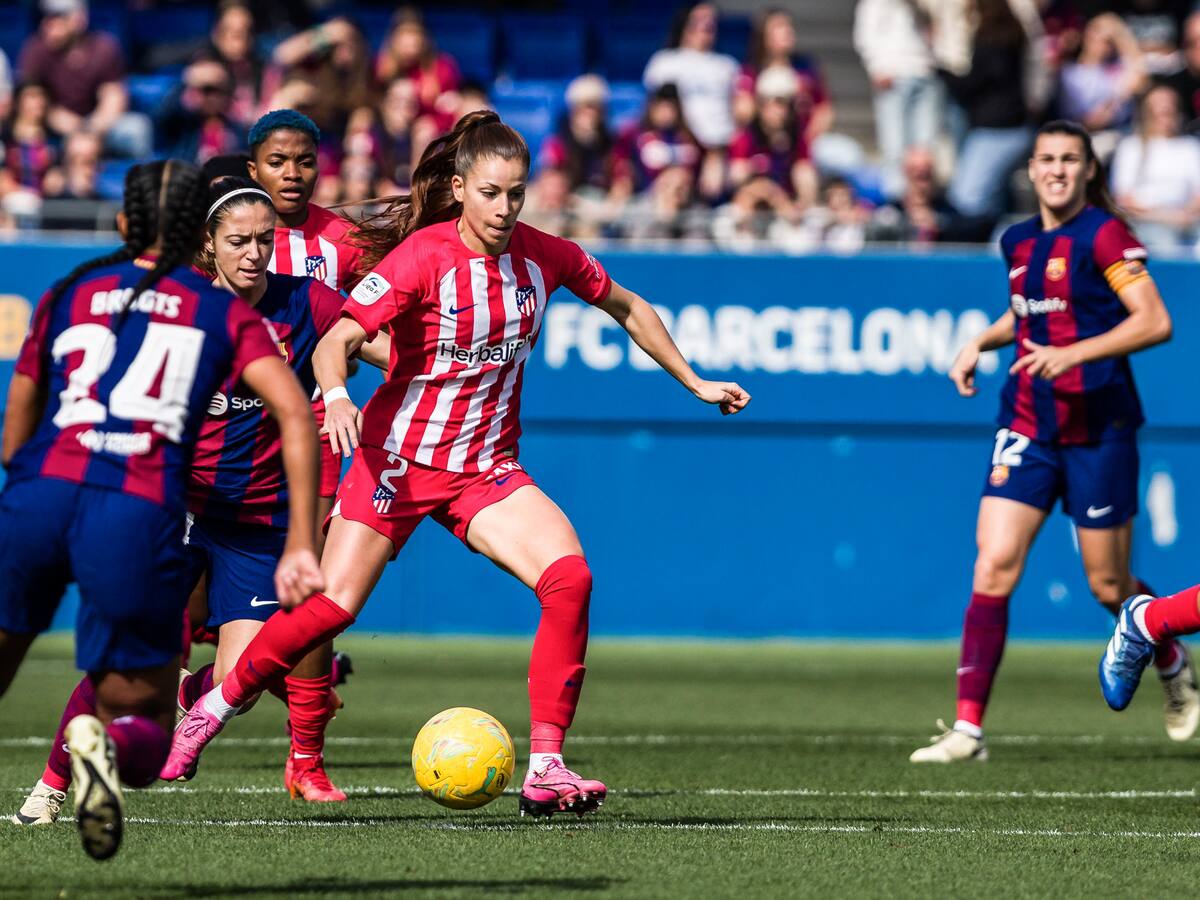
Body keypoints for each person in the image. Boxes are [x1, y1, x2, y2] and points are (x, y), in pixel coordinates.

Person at [160, 110, 751, 817]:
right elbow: (338, 334)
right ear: (462, 188)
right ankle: (211, 708)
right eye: (492, 193)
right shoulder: (423, 257)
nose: (505, 209)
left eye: (517, 193)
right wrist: (341, 395)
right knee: (332, 608)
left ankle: (548, 767)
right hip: (394, 464)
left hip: (483, 470)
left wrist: (694, 380)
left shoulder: (544, 255)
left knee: (570, 578)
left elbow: (627, 304)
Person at [10, 175, 375, 826]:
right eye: (239, 240)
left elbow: (375, 345)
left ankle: (151, 715)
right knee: (131, 664)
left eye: (266, 239)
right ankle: (50, 786)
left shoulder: (307, 301)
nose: (255, 252)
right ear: (207, 243)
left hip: (251, 523)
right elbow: (292, 414)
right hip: (173, 508)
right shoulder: (194, 309)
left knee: (242, 680)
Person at [910, 120, 1190, 765]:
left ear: (1090, 170)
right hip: (1028, 424)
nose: (1057, 169)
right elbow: (1029, 310)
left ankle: (1169, 649)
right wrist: (979, 342)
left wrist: (1075, 355)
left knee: (1108, 584)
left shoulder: (1105, 234)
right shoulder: (1017, 240)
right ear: (1031, 169)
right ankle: (968, 731)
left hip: (1099, 428)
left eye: (1070, 159)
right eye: (1046, 159)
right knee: (994, 562)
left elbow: (1154, 320)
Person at [16, 0, 152, 158]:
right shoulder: (36, 49)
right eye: (46, 18)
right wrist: (57, 119)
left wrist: (92, 128)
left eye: (57, 18)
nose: (48, 24)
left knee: (137, 129)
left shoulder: (103, 46)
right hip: (53, 128)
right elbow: (28, 99)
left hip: (96, 125)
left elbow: (113, 96)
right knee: (27, 134)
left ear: (78, 19)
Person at [940, 0, 1033, 222]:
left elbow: (973, 84)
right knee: (997, 198)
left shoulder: (989, 40)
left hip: (997, 130)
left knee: (965, 198)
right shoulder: (1014, 34)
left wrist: (942, 73)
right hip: (1015, 128)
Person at [1109, 85, 1200, 251]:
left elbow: (1198, 194)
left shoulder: (1190, 147)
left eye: (1169, 109)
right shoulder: (1131, 147)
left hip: (1188, 219)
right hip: (1146, 221)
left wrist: (1186, 215)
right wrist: (1167, 217)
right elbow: (1125, 199)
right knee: (1166, 244)